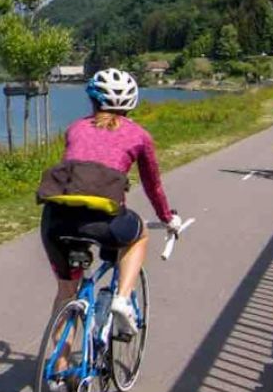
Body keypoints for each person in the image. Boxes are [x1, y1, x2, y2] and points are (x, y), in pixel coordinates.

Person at [37, 68, 182, 338]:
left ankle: (60, 368)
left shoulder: (76, 127)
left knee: (66, 292)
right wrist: (166, 217)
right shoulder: (139, 136)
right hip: (103, 220)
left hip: (56, 218)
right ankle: (122, 300)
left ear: (92, 101)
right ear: (131, 103)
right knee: (138, 234)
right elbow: (153, 186)